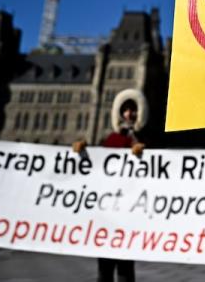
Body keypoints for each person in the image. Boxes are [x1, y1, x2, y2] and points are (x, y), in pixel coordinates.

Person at [72, 89, 148, 282]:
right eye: (125, 110)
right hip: (106, 216)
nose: (129, 114)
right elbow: (96, 165)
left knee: (124, 271)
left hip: (130, 215)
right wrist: (81, 150)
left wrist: (143, 152)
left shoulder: (145, 137)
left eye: (133, 110)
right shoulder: (111, 139)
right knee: (104, 271)